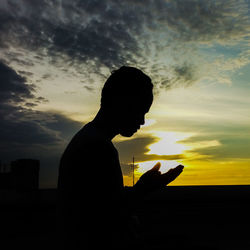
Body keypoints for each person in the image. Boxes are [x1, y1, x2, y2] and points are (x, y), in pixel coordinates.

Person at [57, 66, 184, 249]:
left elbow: (103, 204)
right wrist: (143, 189)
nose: (141, 121)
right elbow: (106, 217)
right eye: (140, 111)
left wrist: (142, 187)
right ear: (122, 103)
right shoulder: (98, 147)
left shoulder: (88, 139)